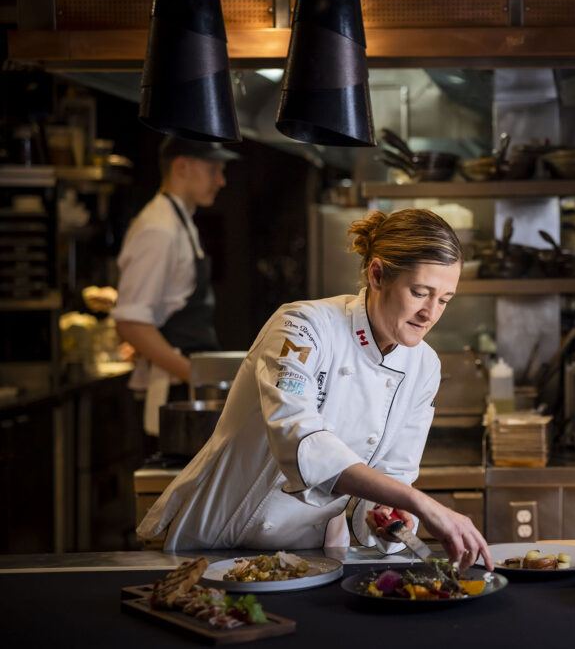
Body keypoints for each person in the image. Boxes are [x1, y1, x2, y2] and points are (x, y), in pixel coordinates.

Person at [137, 208, 493, 570]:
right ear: (377, 274)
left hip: (311, 558)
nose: (430, 313)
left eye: (445, 299)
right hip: (218, 544)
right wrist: (423, 503)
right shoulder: (302, 327)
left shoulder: (423, 366)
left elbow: (392, 475)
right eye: (420, 293)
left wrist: (386, 515)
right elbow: (300, 441)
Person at [111, 136, 239, 436]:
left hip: (185, 387)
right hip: (173, 395)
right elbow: (131, 323)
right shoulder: (158, 229)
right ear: (182, 166)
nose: (221, 181)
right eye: (213, 170)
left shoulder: (180, 220)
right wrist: (198, 378)